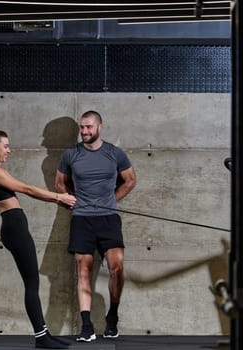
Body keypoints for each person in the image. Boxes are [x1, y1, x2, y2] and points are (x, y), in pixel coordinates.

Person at [0, 130, 76, 349]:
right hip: (14, 229)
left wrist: (59, 199)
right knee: (32, 283)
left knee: (32, 283)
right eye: (6, 146)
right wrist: (59, 197)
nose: (9, 150)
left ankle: (44, 334)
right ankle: (42, 337)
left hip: (16, 227)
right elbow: (27, 189)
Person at [54, 111, 137, 342]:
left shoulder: (114, 153)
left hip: (108, 218)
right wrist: (70, 200)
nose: (84, 132)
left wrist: (112, 200)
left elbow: (130, 180)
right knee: (83, 270)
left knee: (117, 268)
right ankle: (87, 325)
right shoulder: (71, 155)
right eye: (81, 127)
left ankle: (112, 317)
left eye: (89, 127)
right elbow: (59, 184)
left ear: (100, 127)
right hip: (82, 219)